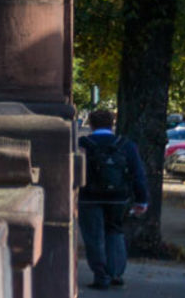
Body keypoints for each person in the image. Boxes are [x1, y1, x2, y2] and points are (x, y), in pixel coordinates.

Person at [79, 110, 152, 288]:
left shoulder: (82, 144)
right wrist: (142, 200)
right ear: (112, 124)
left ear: (91, 124)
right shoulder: (125, 144)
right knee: (115, 232)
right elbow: (138, 174)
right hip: (118, 197)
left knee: (94, 236)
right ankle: (116, 273)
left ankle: (101, 275)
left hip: (89, 197)